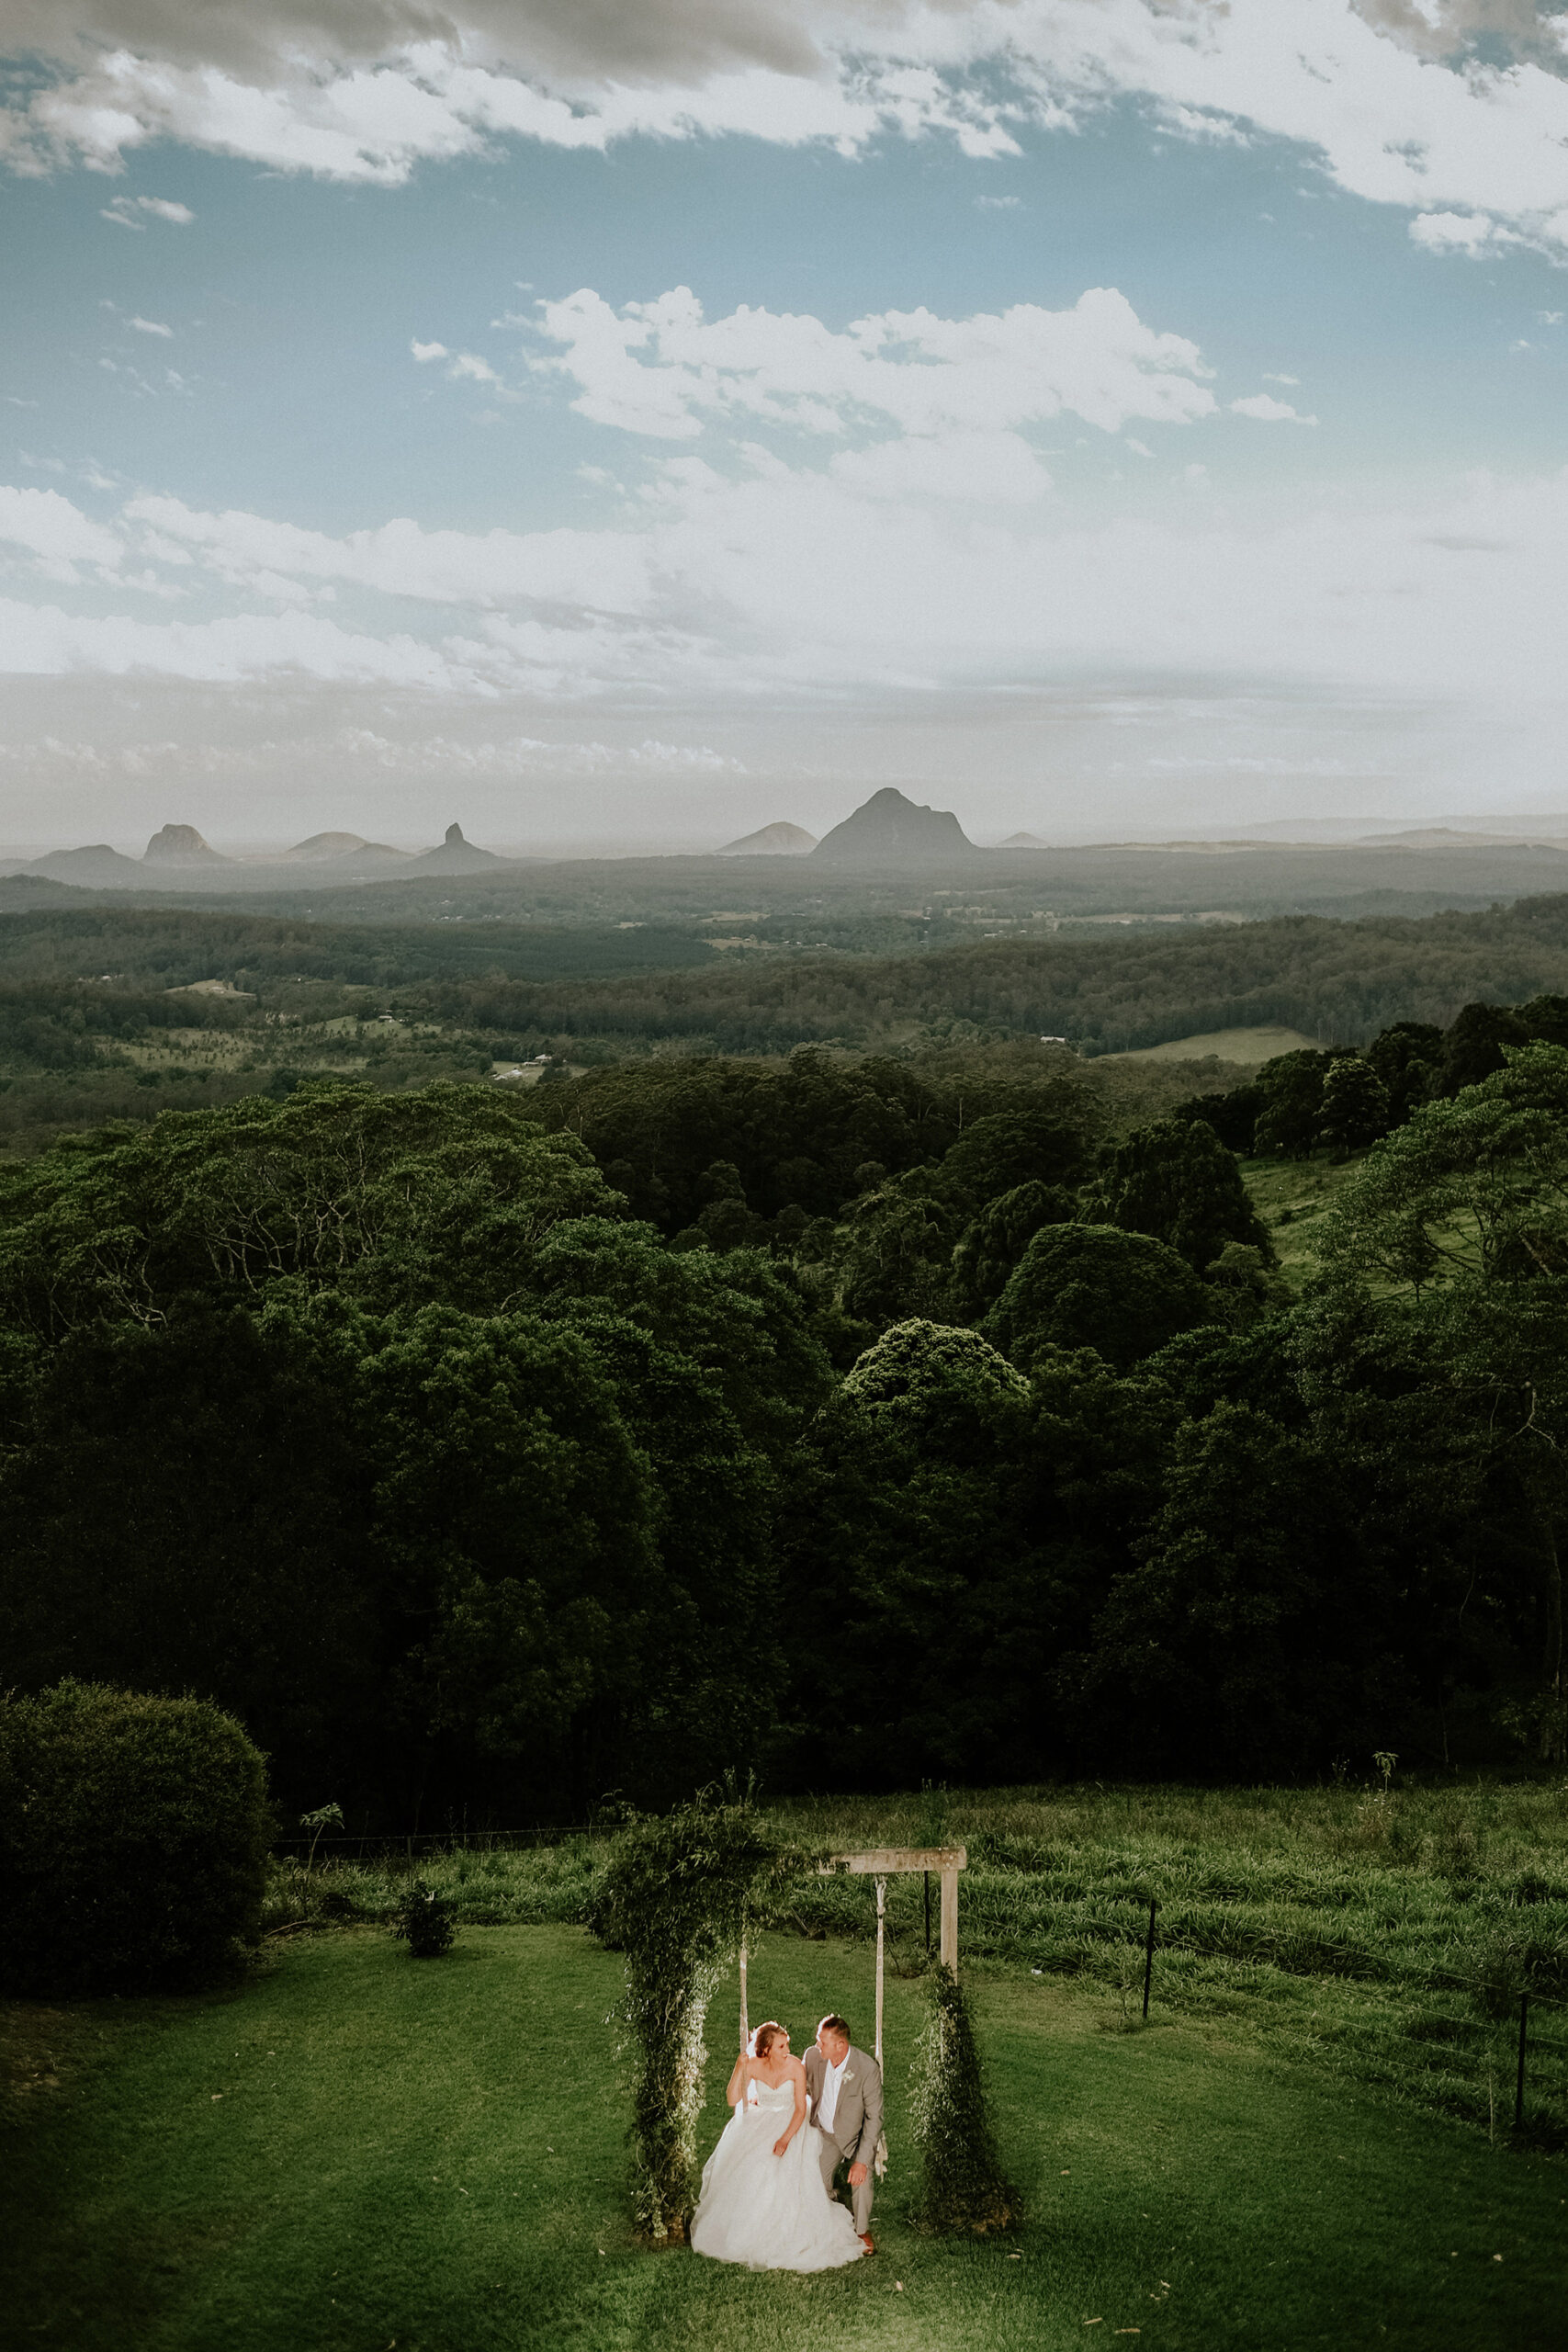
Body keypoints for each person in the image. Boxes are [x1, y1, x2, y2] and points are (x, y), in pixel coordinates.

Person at [690, 2021, 866, 2272]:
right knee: (752, 2168)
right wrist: (739, 2068)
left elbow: (800, 2108)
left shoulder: (795, 2066)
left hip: (792, 2123)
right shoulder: (751, 2065)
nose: (787, 2050)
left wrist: (785, 2139)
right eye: (782, 2046)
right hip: (761, 2120)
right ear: (766, 2049)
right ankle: (750, 2227)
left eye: (787, 2045)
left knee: (783, 2170)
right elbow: (732, 2099)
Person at [802, 2013, 883, 2254]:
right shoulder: (814, 2056)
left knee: (862, 2178)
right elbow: (801, 2086)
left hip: (856, 2137)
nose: (818, 2046)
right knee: (814, 2182)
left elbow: (874, 2118)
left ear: (841, 2045)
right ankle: (836, 2197)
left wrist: (861, 2161)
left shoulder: (867, 2068)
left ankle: (861, 2231)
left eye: (822, 2042)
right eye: (818, 2040)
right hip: (825, 2134)